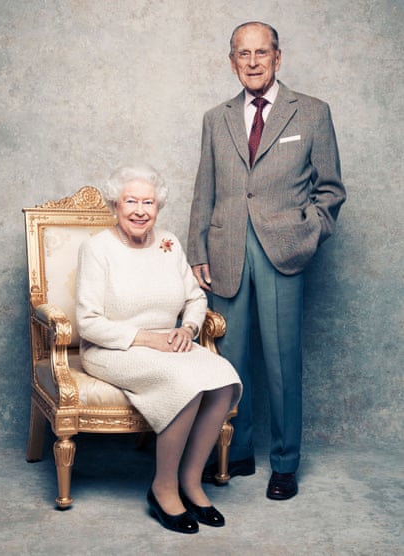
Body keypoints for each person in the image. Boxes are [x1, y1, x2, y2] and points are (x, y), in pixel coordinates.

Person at [187, 21, 346, 500]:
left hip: (283, 250)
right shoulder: (216, 118)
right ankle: (235, 453)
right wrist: (197, 249)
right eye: (243, 54)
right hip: (225, 249)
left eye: (261, 53)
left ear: (278, 57)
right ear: (231, 60)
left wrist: (307, 232)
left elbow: (331, 190)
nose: (252, 62)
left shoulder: (313, 113)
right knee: (229, 362)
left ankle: (284, 463)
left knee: (281, 361)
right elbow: (204, 189)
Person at [75, 163, 242, 534]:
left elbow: (195, 297)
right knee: (184, 382)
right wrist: (146, 338)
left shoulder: (169, 244)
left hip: (169, 342)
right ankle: (163, 487)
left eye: (147, 202)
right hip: (112, 349)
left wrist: (188, 327)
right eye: (130, 200)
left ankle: (191, 481)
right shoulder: (97, 249)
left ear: (158, 208)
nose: (139, 210)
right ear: (115, 205)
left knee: (224, 379)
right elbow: (87, 322)